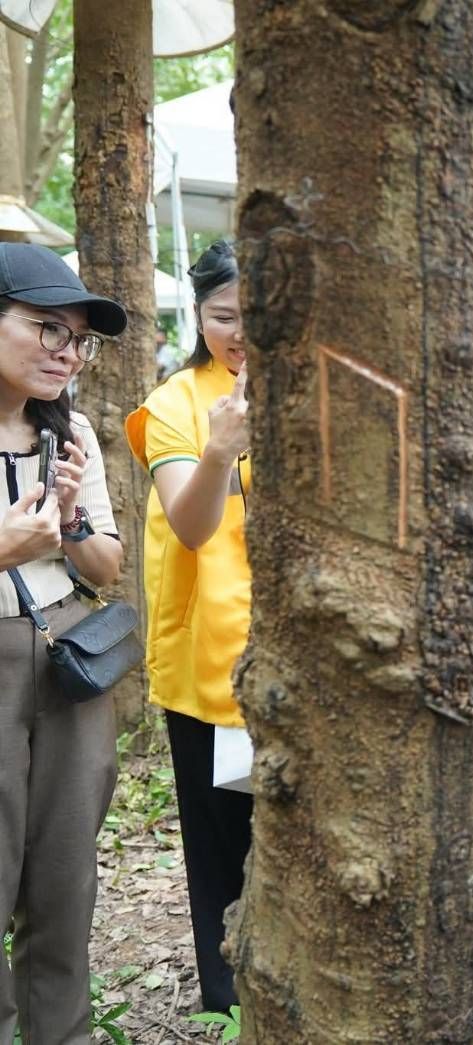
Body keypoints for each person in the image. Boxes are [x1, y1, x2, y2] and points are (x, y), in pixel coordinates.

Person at [0, 243, 127, 1044]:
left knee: (64, 878)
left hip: (67, 658)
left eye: (78, 339)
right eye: (48, 328)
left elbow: (106, 565)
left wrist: (72, 517)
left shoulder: (68, 428)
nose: (67, 352)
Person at [125, 240, 255, 1015]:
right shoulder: (177, 401)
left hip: (303, 652)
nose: (240, 332)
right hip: (210, 655)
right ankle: (230, 997)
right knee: (221, 841)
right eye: (224, 315)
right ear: (199, 314)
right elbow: (192, 524)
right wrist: (220, 450)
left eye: (257, 314)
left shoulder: (315, 389)